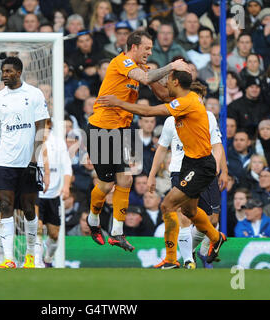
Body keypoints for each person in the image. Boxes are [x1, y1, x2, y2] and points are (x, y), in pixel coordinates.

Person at [97, 70, 227, 268]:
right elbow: (162, 94)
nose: (166, 84)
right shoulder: (186, 97)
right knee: (190, 211)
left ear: (175, 82)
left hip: (200, 165)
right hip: (189, 164)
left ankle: (171, 258)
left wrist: (118, 102)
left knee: (167, 205)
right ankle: (215, 237)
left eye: (168, 81)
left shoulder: (187, 103)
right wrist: (149, 77)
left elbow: (149, 112)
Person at [86, 30, 190, 252]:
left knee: (126, 180)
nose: (149, 52)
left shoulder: (142, 69)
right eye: (147, 48)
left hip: (122, 130)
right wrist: (172, 66)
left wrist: (177, 86)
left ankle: (116, 232)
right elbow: (144, 78)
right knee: (106, 184)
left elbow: (162, 95)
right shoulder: (121, 62)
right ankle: (93, 219)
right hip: (102, 128)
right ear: (133, 47)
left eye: (151, 49)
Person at [145, 81, 227, 268]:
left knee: (211, 218)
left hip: (204, 169)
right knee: (182, 213)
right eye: (193, 97)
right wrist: (151, 174)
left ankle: (200, 245)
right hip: (180, 169)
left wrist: (221, 168)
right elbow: (162, 148)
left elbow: (217, 143)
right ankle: (187, 260)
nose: (196, 101)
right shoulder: (171, 119)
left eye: (199, 98)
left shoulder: (207, 117)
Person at [0, 56, 50, 269]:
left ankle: (30, 255)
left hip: (28, 162)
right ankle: (8, 259)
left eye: (9, 71)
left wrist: (35, 160)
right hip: (6, 163)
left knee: (28, 208)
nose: (5, 75)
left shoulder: (34, 94)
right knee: (6, 207)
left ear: (18, 72)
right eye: (3, 71)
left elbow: (41, 128)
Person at [35, 119, 72, 268]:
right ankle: (36, 261)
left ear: (49, 125)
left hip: (53, 194)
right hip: (36, 192)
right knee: (36, 227)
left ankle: (48, 258)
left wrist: (66, 187)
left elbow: (67, 166)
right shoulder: (33, 142)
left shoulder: (58, 142)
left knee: (54, 234)